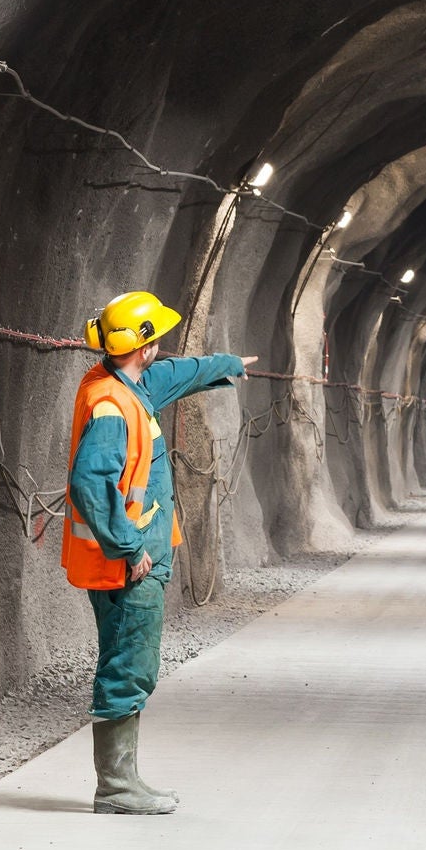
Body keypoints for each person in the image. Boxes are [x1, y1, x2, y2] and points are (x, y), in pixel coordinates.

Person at [63, 289, 256, 815]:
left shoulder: (124, 384)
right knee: (129, 665)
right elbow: (90, 483)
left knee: (131, 661)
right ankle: (117, 788)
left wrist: (226, 365)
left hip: (134, 556)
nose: (162, 351)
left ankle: (124, 782)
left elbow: (176, 376)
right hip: (126, 563)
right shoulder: (111, 406)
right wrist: (128, 547)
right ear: (145, 347)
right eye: (158, 342)